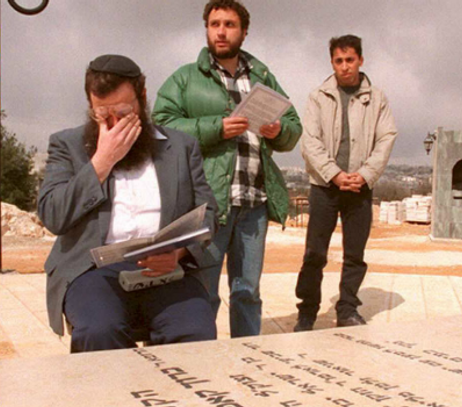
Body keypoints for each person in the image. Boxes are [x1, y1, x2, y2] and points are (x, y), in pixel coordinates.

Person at [38, 54, 218, 353]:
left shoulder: (181, 147)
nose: (114, 123)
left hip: (167, 269)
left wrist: (179, 251)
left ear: (142, 98)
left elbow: (208, 212)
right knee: (99, 331)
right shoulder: (67, 145)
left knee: (195, 330)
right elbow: (53, 215)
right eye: (102, 114)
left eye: (123, 112)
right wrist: (102, 161)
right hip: (92, 271)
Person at [153, 0, 302, 338]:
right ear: (207, 29)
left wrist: (279, 130)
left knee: (247, 292)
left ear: (244, 32)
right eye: (214, 24)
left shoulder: (262, 76)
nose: (221, 31)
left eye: (229, 24)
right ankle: (201, 353)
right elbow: (161, 125)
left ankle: (246, 356)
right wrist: (216, 128)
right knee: (202, 291)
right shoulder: (186, 78)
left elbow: (294, 126)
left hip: (254, 202)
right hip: (210, 205)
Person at [294, 35, 398, 331]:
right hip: (324, 187)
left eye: (350, 60)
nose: (344, 66)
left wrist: (364, 175)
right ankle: (307, 312)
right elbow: (309, 141)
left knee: (355, 254)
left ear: (360, 60)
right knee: (314, 254)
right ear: (332, 62)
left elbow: (386, 137)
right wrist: (334, 174)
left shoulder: (377, 99)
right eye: (338, 61)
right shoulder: (318, 97)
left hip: (359, 188)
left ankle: (348, 309)